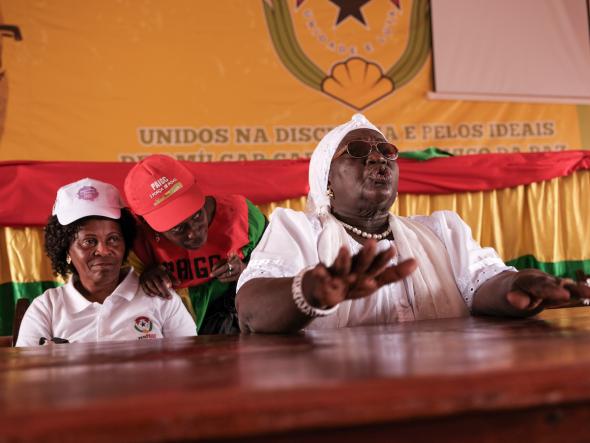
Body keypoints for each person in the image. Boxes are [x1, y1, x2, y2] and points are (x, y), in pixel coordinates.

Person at [236, 114, 587, 333]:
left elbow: (484, 284)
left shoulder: (442, 231)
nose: (378, 156)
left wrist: (518, 285)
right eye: (357, 151)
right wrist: (310, 291)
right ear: (325, 181)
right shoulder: (297, 229)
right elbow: (252, 310)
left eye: (386, 150)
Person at [16, 178, 196, 347]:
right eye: (89, 241)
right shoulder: (47, 307)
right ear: (66, 250)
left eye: (113, 239)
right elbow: (27, 374)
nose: (103, 250)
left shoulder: (160, 298)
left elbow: (190, 362)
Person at [124, 155, 267, 334]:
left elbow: (280, 272)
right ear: (146, 223)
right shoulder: (135, 242)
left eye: (197, 215)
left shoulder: (242, 217)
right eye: (177, 228)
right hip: (170, 335)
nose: (193, 232)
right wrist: (140, 279)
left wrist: (247, 271)